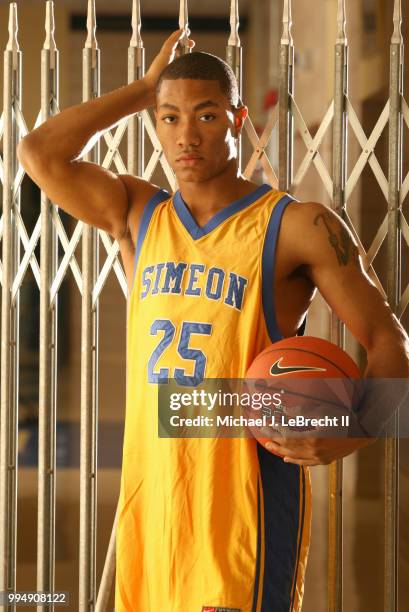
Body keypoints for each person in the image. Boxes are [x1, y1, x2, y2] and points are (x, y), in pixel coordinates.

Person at [17, 29, 409, 612]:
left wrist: (353, 433)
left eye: (205, 114)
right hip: (152, 500)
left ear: (237, 119)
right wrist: (144, 90)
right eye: (169, 118)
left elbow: (389, 341)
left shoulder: (295, 225)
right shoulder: (137, 213)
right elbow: (39, 154)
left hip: (242, 502)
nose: (186, 135)